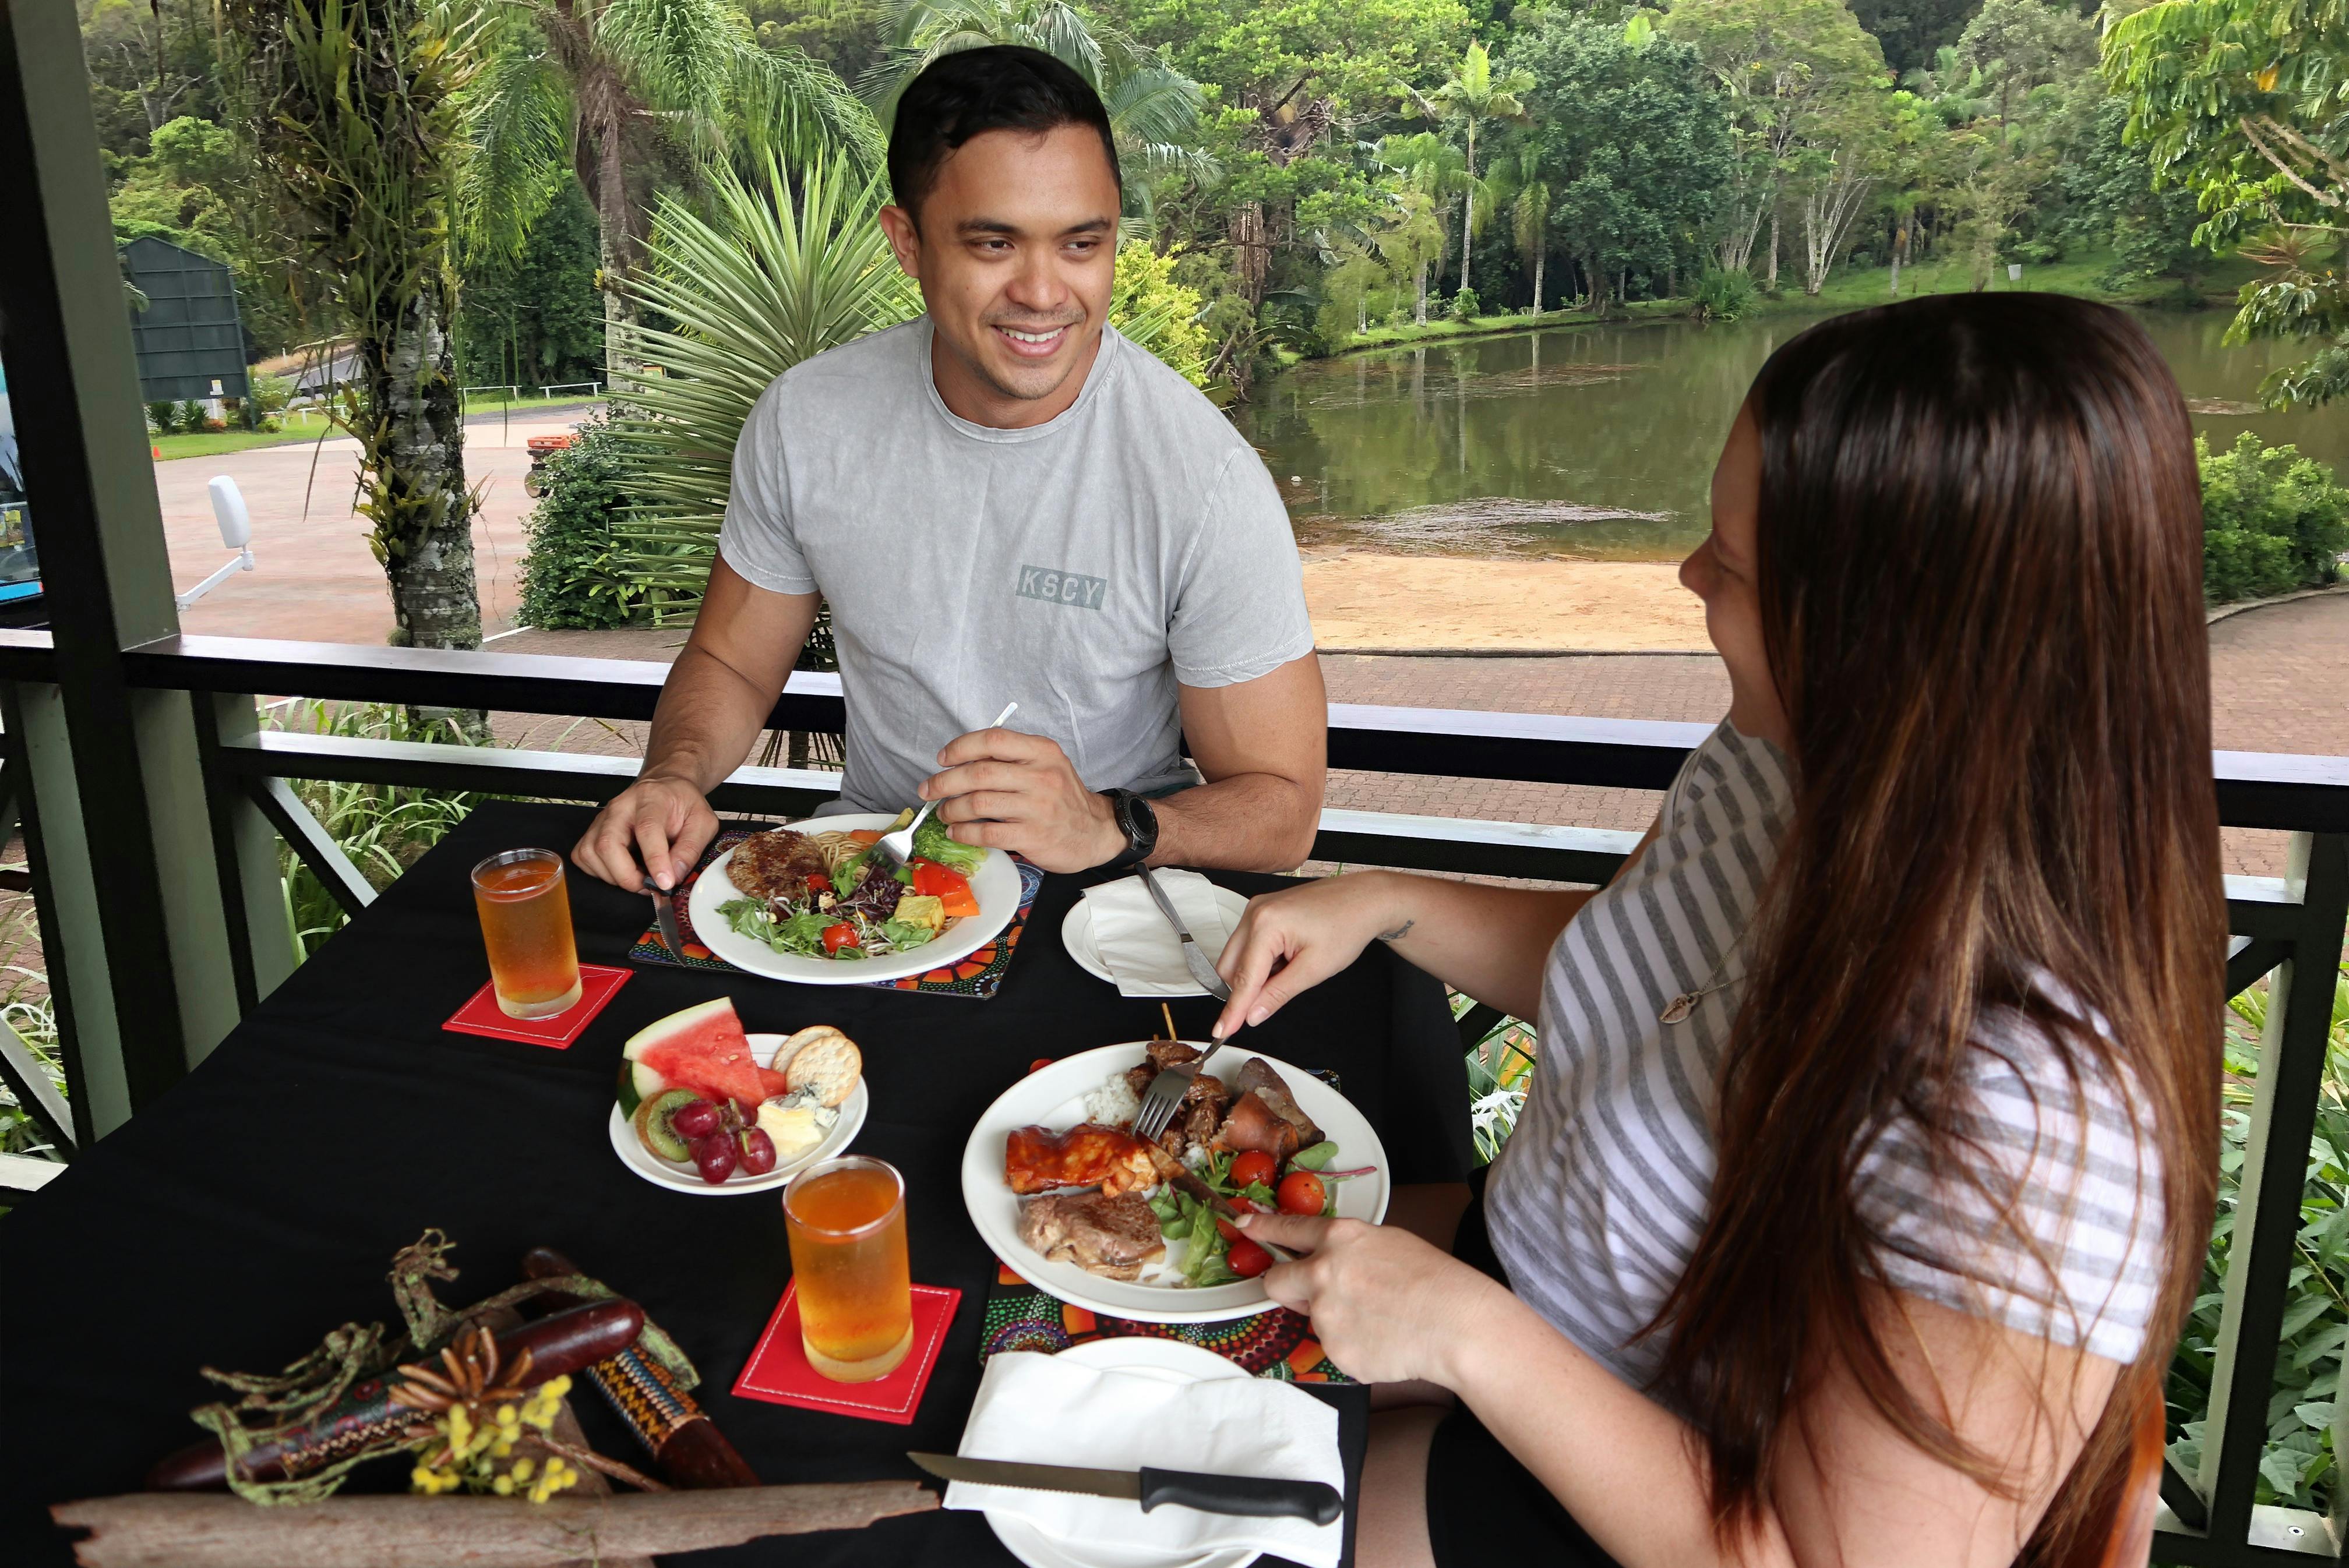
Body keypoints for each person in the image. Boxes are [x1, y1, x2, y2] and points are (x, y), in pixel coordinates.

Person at [1211, 295, 2221, 1568]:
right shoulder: (1781, 756)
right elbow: (1648, 979)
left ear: (1880, 636)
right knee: (1111, 1318)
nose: (1689, 573)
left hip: (1660, 1487)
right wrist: (1390, 901)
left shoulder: (2032, 1120)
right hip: (1526, 1286)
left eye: (1733, 567)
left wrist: (1467, 1335)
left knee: (1157, 1520)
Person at [573, 46, 1324, 892]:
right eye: (994, 243)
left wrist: (1108, 823)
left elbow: (1284, 811)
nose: (1043, 292)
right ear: (908, 242)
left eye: (1082, 243)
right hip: (873, 874)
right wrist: (673, 776)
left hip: (1100, 898)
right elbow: (733, 662)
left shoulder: (1204, 479)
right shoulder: (807, 420)